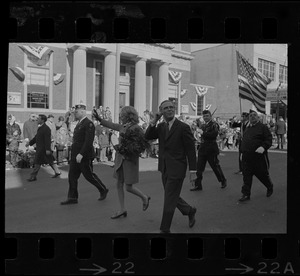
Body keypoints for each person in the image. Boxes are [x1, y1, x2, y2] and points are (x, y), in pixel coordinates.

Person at [145, 100, 197, 233]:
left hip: (177, 168)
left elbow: (191, 150)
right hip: (164, 168)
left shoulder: (183, 127)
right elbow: (148, 136)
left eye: (171, 107)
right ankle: (189, 211)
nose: (169, 109)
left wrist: (193, 170)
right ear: (161, 111)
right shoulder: (161, 126)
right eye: (166, 108)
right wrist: (153, 121)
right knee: (172, 196)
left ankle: (165, 229)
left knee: (169, 198)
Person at [93, 106, 150, 219]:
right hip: (120, 160)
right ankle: (122, 209)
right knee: (119, 184)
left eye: (122, 115)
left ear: (129, 116)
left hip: (129, 160)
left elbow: (141, 145)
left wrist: (130, 150)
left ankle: (144, 197)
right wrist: (100, 119)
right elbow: (112, 125)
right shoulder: (123, 126)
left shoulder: (136, 128)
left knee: (128, 187)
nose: (120, 117)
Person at [61, 104, 109, 205]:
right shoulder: (79, 123)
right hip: (75, 155)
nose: (75, 113)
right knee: (72, 176)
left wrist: (81, 154)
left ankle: (103, 189)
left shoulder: (88, 124)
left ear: (83, 112)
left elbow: (88, 141)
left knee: (89, 176)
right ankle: (72, 197)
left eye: (77, 112)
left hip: (84, 155)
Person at [238, 109, 274, 202]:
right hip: (247, 157)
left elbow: (268, 139)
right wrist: (242, 152)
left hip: (258, 157)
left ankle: (269, 186)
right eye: (250, 115)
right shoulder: (247, 128)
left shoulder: (263, 127)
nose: (252, 116)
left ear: (258, 117)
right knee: (246, 177)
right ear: (248, 118)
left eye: (254, 115)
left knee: (262, 175)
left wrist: (263, 147)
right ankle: (246, 194)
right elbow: (244, 141)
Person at [191, 109, 227, 191]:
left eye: (207, 116)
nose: (205, 117)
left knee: (215, 166)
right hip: (203, 148)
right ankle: (198, 185)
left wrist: (203, 133)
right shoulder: (203, 125)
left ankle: (223, 180)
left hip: (211, 148)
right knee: (199, 167)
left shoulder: (214, 124)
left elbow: (213, 135)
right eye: (204, 116)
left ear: (210, 116)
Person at [26, 114, 61, 181]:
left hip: (43, 149)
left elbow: (47, 140)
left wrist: (48, 149)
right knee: (50, 161)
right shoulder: (40, 128)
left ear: (42, 120)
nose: (37, 120)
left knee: (38, 162)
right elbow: (36, 137)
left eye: (38, 119)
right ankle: (57, 172)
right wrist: (29, 143)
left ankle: (33, 176)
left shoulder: (46, 128)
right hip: (41, 149)